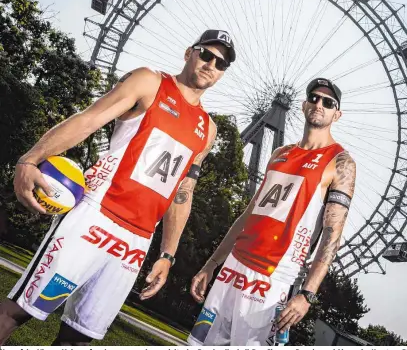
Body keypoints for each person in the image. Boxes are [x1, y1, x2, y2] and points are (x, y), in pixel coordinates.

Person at [0, 29, 236, 345]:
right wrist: (30, 159)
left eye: (221, 63)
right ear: (188, 53)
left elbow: (182, 191)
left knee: (79, 337)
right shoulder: (149, 82)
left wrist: (167, 254)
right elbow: (89, 119)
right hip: (96, 215)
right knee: (21, 309)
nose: (211, 65)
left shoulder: (207, 130)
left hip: (136, 241)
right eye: (206, 54)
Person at [188, 77, 356, 346]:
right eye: (313, 98)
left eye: (328, 102)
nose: (319, 104)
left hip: (274, 277)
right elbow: (248, 215)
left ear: (337, 113)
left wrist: (307, 294)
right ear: (303, 106)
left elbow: (332, 233)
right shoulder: (280, 153)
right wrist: (211, 264)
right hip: (233, 266)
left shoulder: (340, 162)